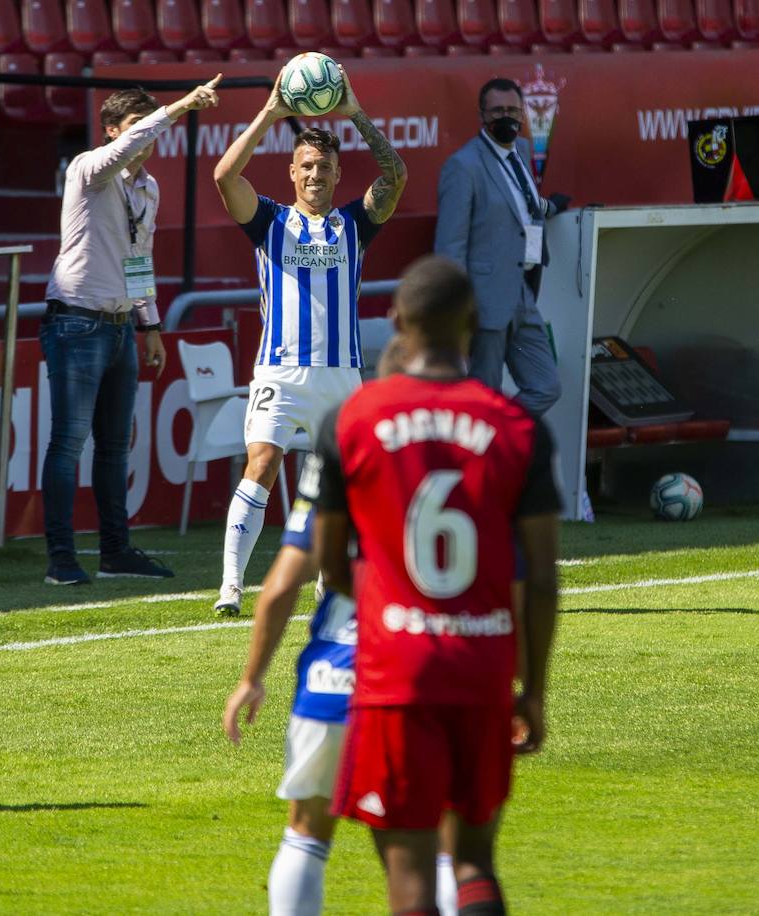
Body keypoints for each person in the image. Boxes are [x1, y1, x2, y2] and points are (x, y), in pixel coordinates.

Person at [310, 255, 560, 915]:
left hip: (395, 671)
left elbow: (330, 563)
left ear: (396, 319)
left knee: (412, 873)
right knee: (474, 861)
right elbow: (541, 579)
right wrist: (531, 689)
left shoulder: (350, 421)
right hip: (483, 666)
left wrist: (386, 602)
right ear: (474, 323)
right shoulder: (518, 429)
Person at [221, 336, 461, 916]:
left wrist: (252, 677)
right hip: (420, 669)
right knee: (436, 844)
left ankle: (227, 578)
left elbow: (283, 582)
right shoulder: (473, 442)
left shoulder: (348, 441)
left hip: (334, 671)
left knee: (306, 830)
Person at [210, 63, 407, 616]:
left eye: (325, 167)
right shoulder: (269, 221)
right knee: (263, 462)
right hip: (280, 372)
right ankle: (230, 586)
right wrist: (272, 112)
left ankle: (328, 582)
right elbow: (226, 176)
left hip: (341, 379)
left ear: (338, 175)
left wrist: (357, 115)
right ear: (292, 172)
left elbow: (395, 179)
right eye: (307, 166)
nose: (316, 175)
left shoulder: (354, 224)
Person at [40, 75, 223, 585]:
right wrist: (183, 104)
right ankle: (60, 559)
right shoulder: (87, 170)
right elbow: (130, 145)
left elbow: (139, 258)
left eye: (151, 125)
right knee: (69, 444)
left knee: (116, 447)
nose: (148, 136)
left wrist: (151, 326)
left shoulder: (149, 187)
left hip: (120, 325)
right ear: (110, 131)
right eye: (135, 126)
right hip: (77, 320)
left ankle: (115, 552)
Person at [434, 77, 572, 418]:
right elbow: (449, 246)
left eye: (512, 110)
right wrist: (459, 309)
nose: (506, 117)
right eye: (497, 111)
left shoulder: (521, 151)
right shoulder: (463, 166)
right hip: (484, 300)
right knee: (484, 391)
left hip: (524, 292)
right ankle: (482, 453)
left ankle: (494, 429)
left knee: (546, 385)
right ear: (482, 115)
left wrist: (550, 207)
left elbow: (520, 203)